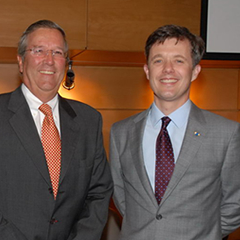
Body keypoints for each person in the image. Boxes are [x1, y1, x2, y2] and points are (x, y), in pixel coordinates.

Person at [110, 24, 240, 240]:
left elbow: (235, 203)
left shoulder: (227, 133)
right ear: (147, 70)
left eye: (178, 61)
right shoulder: (121, 132)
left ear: (195, 71)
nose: (167, 69)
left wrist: (205, 234)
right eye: (158, 60)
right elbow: (121, 198)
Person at [0, 20, 112, 240]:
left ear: (66, 63)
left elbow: (99, 193)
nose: (49, 61)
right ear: (21, 61)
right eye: (39, 50)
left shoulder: (89, 120)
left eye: (58, 52)